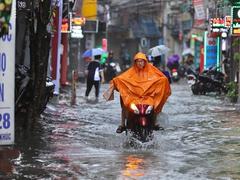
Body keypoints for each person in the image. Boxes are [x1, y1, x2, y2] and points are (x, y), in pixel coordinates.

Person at [103, 52, 171, 133]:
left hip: (147, 98)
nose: (140, 63)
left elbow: (160, 78)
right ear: (135, 62)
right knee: (124, 102)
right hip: (133, 97)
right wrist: (116, 82)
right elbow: (122, 78)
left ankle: (155, 123)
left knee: (155, 104)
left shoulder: (151, 70)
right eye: (138, 61)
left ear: (145, 61)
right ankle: (122, 124)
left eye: (142, 61)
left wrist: (164, 81)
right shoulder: (131, 71)